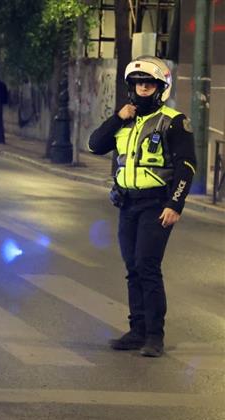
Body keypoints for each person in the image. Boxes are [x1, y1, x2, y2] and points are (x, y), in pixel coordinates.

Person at [88, 56, 196, 357]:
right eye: (138, 83)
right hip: (127, 204)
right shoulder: (125, 121)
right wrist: (117, 118)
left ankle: (154, 336)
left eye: (149, 83)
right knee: (133, 268)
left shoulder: (173, 121)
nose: (143, 87)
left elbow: (187, 166)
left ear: (160, 87)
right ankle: (136, 331)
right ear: (131, 87)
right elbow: (94, 145)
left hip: (156, 204)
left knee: (147, 266)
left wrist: (175, 204)